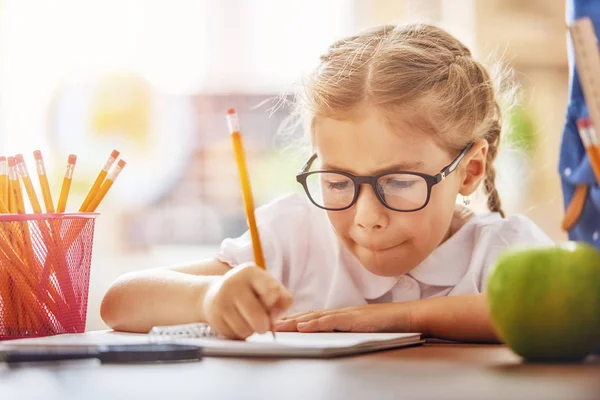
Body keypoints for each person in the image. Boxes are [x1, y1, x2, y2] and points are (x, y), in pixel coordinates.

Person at [100, 23, 553, 342]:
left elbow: (562, 313)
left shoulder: (500, 250)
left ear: (469, 172)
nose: (367, 219)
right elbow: (121, 301)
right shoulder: (296, 235)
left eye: (398, 182)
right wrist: (209, 297)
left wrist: (396, 319)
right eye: (338, 182)